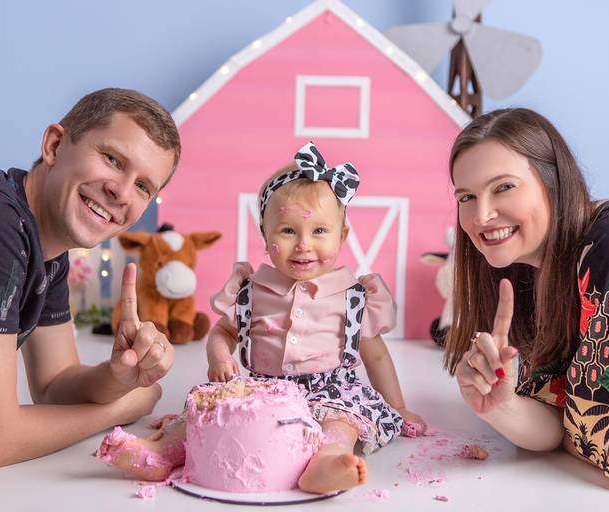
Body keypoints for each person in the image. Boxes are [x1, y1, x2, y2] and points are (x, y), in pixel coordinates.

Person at [97, 142, 426, 493]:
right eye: (288, 231)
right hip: (262, 388)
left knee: (340, 426)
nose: (303, 244)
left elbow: (376, 355)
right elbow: (223, 332)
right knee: (205, 415)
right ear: (264, 235)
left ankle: (326, 462)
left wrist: (398, 406)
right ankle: (160, 453)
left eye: (319, 231)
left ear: (342, 235)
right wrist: (219, 357)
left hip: (331, 392)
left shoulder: (353, 296)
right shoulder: (250, 290)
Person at [0, 88, 180, 470]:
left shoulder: (47, 249)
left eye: (143, 186)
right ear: (54, 145)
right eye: (112, 159)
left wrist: (119, 378)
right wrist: (118, 409)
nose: (122, 192)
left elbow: (54, 385)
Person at [444, 107, 609, 483]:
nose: (481, 215)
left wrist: (576, 426)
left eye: (503, 187)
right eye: (467, 197)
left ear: (553, 180)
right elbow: (561, 425)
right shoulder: (529, 266)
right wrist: (499, 406)